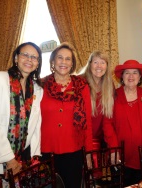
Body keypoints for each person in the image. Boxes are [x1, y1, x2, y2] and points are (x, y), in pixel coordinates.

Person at [0, 42, 43, 187]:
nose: (29, 59)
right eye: (25, 55)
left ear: (38, 64)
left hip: (19, 158)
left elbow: (36, 124)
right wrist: (8, 158)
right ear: (16, 58)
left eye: (34, 57)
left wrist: (35, 155)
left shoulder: (37, 89)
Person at [40, 42, 93, 188]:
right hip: (46, 151)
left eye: (68, 59)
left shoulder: (82, 86)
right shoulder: (41, 85)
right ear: (53, 61)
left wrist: (88, 153)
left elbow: (87, 121)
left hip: (74, 152)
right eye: (60, 58)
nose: (63, 62)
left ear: (72, 64)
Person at [81, 51, 118, 150]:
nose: (99, 66)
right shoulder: (80, 83)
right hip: (81, 139)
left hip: (101, 140)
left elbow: (108, 119)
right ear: (89, 65)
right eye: (95, 62)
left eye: (103, 62)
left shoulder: (109, 85)